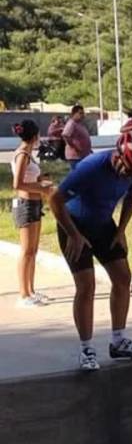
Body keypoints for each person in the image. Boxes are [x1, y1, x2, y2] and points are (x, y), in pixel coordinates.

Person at [49, 130, 132, 371]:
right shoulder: (91, 166)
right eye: (127, 169)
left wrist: (121, 230)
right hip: (74, 224)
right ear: (118, 156)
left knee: (123, 277)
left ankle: (118, 341)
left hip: (104, 224)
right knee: (87, 286)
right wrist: (74, 235)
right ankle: (86, 349)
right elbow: (55, 199)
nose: (130, 175)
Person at [11, 120, 55, 308]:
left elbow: (30, 178)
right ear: (35, 136)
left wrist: (42, 181)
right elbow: (17, 184)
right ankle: (23, 294)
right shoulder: (22, 155)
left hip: (35, 203)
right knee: (26, 251)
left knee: (33, 250)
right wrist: (41, 187)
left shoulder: (29, 154)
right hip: (25, 204)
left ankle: (31, 290)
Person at [62, 104, 92, 169]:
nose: (82, 115)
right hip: (75, 157)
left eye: (83, 113)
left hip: (82, 155)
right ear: (74, 113)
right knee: (78, 175)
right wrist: (75, 147)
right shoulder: (71, 123)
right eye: (80, 113)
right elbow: (65, 135)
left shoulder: (79, 124)